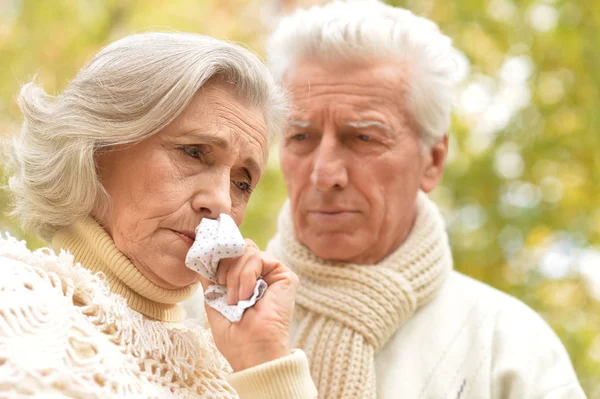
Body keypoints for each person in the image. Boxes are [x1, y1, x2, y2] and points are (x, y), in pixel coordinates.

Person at [265, 1, 585, 398]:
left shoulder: (509, 346)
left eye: (363, 137)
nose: (325, 174)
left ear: (433, 160)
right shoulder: (203, 322)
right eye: (300, 137)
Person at [0, 32, 317, 398]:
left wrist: (266, 365)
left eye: (241, 182)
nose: (222, 203)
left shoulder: (231, 369)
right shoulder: (15, 306)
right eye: (194, 153)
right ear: (97, 147)